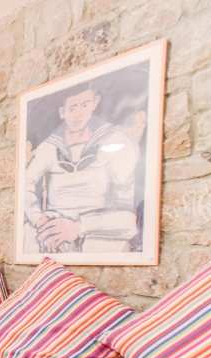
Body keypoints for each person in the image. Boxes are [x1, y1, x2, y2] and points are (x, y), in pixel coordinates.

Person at [23, 82, 141, 254]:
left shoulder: (115, 141)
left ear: (95, 103)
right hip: (54, 227)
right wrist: (39, 219)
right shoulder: (48, 148)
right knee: (29, 236)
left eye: (85, 105)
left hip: (97, 229)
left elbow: (128, 219)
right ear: (62, 112)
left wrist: (78, 227)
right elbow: (25, 185)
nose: (79, 114)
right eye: (72, 108)